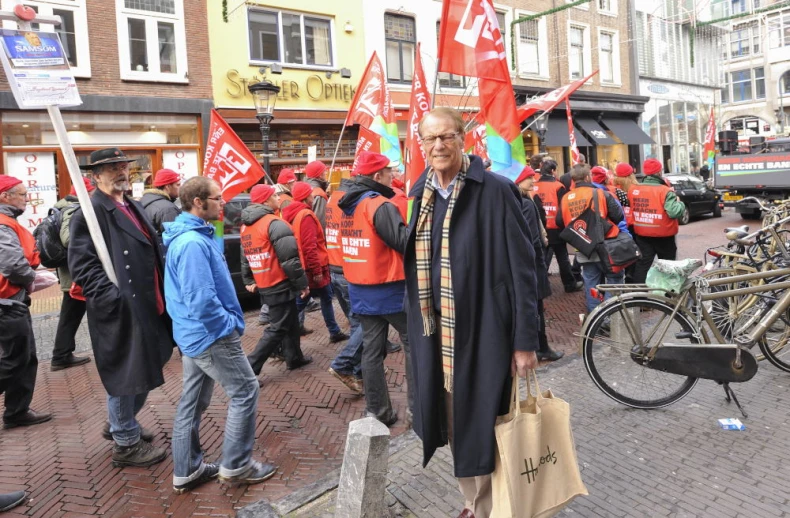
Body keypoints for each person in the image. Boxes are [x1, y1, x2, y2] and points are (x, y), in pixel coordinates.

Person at [405, 108, 540, 518]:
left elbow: (524, 269)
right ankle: (473, 501)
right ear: (422, 145)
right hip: (437, 335)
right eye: (430, 139)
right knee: (452, 420)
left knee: (486, 418)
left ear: (463, 139)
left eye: (447, 136)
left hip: (486, 331)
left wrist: (525, 342)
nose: (439, 145)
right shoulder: (420, 195)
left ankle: (493, 506)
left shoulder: (496, 191)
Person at [164, 176, 276, 492]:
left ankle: (187, 469)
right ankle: (237, 465)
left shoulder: (192, 236)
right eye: (217, 198)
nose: (223, 202)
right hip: (208, 336)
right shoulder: (192, 243)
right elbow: (201, 299)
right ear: (198, 203)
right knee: (245, 391)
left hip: (192, 335)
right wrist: (226, 326)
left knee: (192, 402)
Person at [68, 148, 173, 467]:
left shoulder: (132, 205)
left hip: (152, 302)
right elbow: (82, 266)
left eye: (123, 166)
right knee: (128, 373)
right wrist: (114, 298)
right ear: (95, 176)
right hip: (124, 306)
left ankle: (120, 421)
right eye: (111, 167)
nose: (120, 171)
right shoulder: (89, 212)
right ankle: (125, 442)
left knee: (157, 356)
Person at [338, 151, 412, 427]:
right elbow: (403, 242)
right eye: (389, 171)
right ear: (377, 175)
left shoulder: (345, 203)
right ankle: (418, 410)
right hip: (389, 287)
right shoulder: (378, 204)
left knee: (371, 350)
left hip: (360, 287)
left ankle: (378, 411)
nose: (393, 175)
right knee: (412, 345)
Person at [240, 184, 312, 382]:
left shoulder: (246, 226)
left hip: (265, 280)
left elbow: (245, 255)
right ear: (265, 201)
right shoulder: (274, 223)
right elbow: (290, 260)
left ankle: (294, 357)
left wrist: (248, 279)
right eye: (274, 196)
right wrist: (302, 284)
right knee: (278, 327)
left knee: (290, 322)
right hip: (278, 281)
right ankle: (250, 369)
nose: (278, 199)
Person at [0, 176, 52, 430]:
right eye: (21, 194)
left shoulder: (8, 223)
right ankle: (16, 411)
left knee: (23, 356)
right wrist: (31, 279)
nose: (26, 198)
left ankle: (17, 411)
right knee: (15, 358)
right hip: (7, 300)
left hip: (9, 299)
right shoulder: (3, 224)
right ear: (4, 196)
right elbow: (12, 264)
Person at [281, 182, 348, 343]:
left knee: (319, 298)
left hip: (307, 266)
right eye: (310, 194)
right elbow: (310, 246)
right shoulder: (306, 216)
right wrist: (317, 270)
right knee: (308, 300)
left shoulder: (292, 213)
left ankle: (333, 331)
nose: (313, 196)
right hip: (314, 267)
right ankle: (285, 338)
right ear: (305, 197)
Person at [557, 164, 626, 314]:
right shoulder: (600, 193)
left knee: (591, 283)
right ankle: (609, 316)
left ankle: (596, 318)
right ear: (588, 177)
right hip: (605, 245)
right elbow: (618, 215)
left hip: (583, 247)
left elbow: (558, 222)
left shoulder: (565, 198)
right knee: (614, 280)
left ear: (573, 179)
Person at [514, 166, 563, 362]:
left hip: (528, 262)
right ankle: (541, 347)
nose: (533, 182)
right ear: (519, 181)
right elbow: (531, 239)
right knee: (536, 307)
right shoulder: (526, 203)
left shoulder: (519, 201)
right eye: (528, 179)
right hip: (532, 263)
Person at [325, 177, 365, 394]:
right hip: (347, 267)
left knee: (355, 321)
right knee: (363, 324)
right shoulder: (351, 201)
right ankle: (345, 365)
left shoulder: (332, 199)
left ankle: (361, 369)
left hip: (335, 267)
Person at [50, 177, 94, 371]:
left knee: (71, 314)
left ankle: (62, 353)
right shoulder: (73, 209)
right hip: (76, 273)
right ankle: (61, 355)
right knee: (71, 314)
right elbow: (68, 239)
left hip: (72, 271)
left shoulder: (63, 207)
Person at [629, 158, 685, 283]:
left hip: (642, 234)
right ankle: (666, 296)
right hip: (663, 235)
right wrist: (680, 203)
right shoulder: (665, 191)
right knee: (667, 266)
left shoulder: (633, 189)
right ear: (659, 172)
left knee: (643, 265)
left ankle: (638, 295)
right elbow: (674, 212)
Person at [534, 159, 583, 293]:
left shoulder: (534, 186)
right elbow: (563, 208)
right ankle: (569, 284)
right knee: (562, 257)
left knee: (542, 258)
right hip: (555, 227)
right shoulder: (558, 186)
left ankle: (540, 286)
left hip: (539, 227)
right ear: (553, 171)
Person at [140, 169, 181, 236]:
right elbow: (175, 237)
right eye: (178, 185)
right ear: (167, 187)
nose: (180, 187)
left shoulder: (144, 200)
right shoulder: (167, 209)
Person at [303, 160, 330, 229]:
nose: (326, 173)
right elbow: (321, 223)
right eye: (324, 171)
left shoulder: (305, 189)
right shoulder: (319, 194)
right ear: (320, 175)